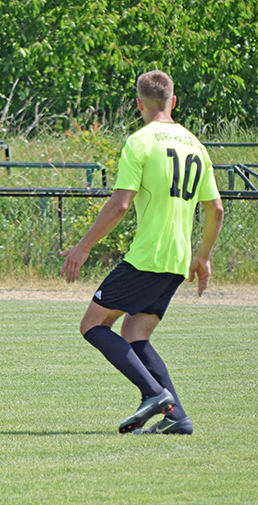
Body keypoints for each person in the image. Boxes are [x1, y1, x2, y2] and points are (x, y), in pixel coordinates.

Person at [60, 70, 224, 434]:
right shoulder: (196, 144)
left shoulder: (140, 141)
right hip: (178, 260)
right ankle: (176, 418)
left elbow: (120, 205)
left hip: (148, 256)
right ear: (173, 102)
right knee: (135, 332)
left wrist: (82, 247)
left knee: (92, 325)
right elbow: (216, 209)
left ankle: (153, 393)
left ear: (139, 105)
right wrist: (204, 256)